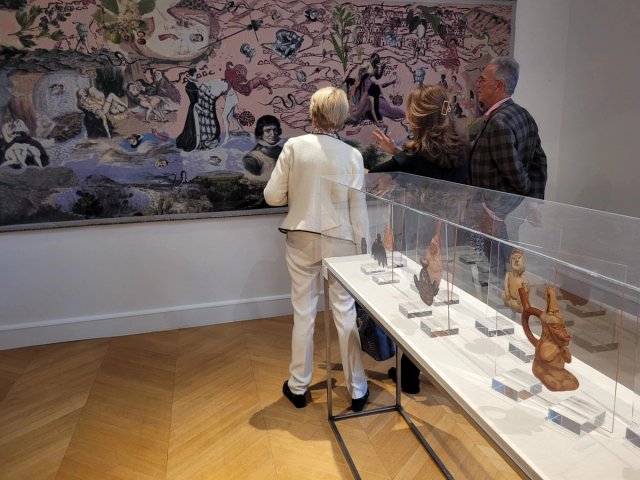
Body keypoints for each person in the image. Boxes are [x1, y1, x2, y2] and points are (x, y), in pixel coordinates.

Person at [264, 87, 370, 411]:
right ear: (342, 117)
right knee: (345, 313)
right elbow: (358, 211)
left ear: (313, 112)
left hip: (301, 237)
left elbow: (272, 196)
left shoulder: (295, 147)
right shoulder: (352, 155)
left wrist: (297, 193)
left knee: (304, 313)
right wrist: (365, 252)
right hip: (341, 241)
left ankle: (298, 386)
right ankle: (357, 389)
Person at [370, 84, 469, 394]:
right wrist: (397, 154)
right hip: (455, 235)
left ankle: (409, 376)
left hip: (421, 236)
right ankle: (443, 369)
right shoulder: (461, 149)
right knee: (446, 303)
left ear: (417, 118)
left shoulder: (414, 155)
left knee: (418, 300)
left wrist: (394, 157)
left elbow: (376, 173)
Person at [468, 57, 547, 276]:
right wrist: (532, 202)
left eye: (483, 80)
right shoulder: (523, 115)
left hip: (496, 215)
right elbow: (539, 161)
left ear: (499, 85)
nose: (478, 85)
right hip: (506, 213)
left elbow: (517, 176)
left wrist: (493, 212)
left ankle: (501, 294)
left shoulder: (499, 122)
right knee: (506, 264)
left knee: (498, 267)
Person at [243, 115, 282, 182]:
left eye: (275, 130)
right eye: (267, 131)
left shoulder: (282, 151)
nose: (273, 134)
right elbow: (252, 181)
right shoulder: (252, 158)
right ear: (261, 133)